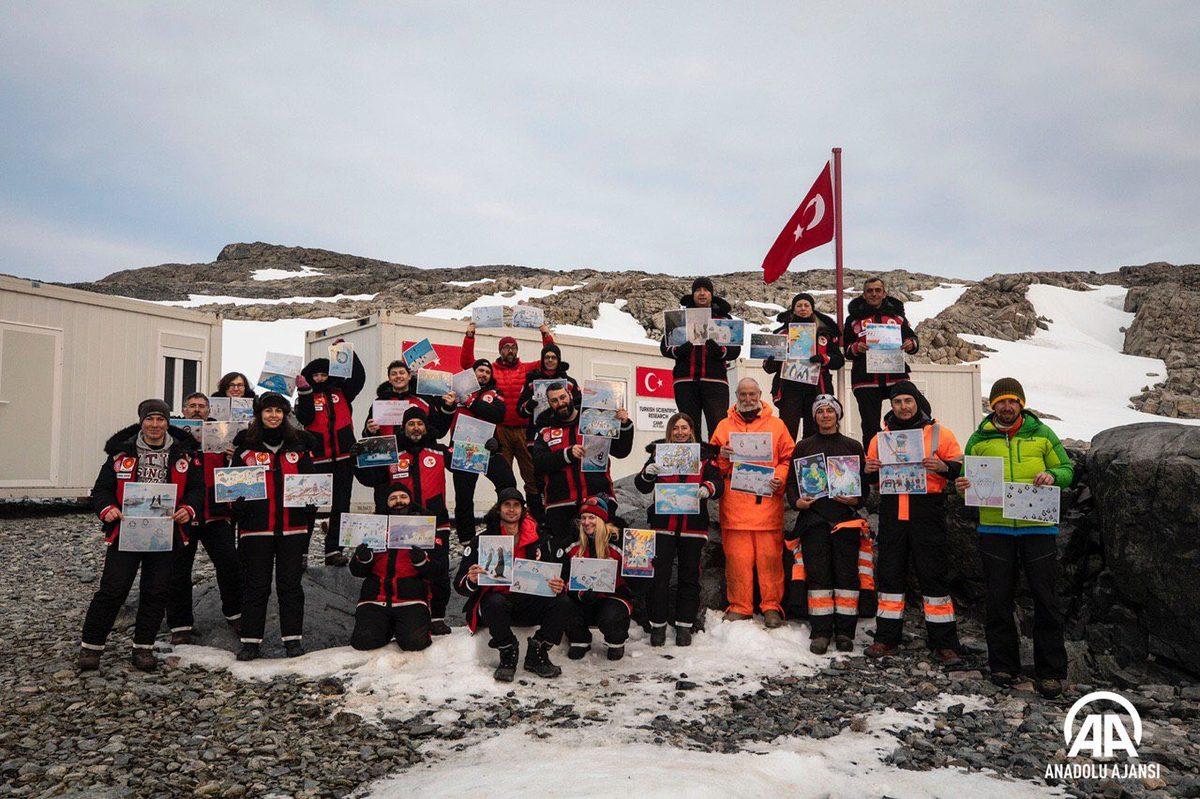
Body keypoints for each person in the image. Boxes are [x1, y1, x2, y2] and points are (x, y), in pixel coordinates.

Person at [956, 378, 1074, 698]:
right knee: (998, 599)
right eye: (1001, 402)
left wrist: (1053, 476)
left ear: (1021, 404)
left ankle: (1050, 671)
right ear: (992, 405)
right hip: (995, 528)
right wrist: (962, 485)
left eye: (1013, 401)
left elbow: (1066, 469)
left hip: (1038, 527)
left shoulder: (1042, 434)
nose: (1007, 407)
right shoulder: (978, 439)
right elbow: (966, 475)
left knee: (1045, 599)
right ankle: (1003, 665)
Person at [79, 399, 204, 672]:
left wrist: (188, 509)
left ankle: (143, 648)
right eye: (150, 419)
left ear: (168, 422)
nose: (155, 425)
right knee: (113, 589)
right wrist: (107, 509)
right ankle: (91, 646)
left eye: (161, 420)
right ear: (141, 422)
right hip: (127, 531)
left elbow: (197, 489)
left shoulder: (185, 454)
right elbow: (101, 490)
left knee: (157, 590)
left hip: (166, 532)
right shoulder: (120, 453)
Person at [863, 381, 964, 666]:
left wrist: (944, 468)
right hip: (893, 509)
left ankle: (945, 643)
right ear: (891, 406)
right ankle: (886, 638)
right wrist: (869, 470)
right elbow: (869, 476)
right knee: (890, 574)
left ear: (917, 401)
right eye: (897, 402)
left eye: (908, 400)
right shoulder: (879, 438)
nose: (903, 407)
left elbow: (960, 465)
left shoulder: (940, 433)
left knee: (933, 575)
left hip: (927, 510)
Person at [230, 393, 317, 661]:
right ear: (259, 414)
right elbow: (231, 493)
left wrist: (310, 507)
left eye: (279, 411)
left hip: (293, 530)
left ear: (285, 415)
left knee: (290, 586)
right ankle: (250, 642)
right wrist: (238, 505)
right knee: (256, 586)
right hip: (256, 531)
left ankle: (292, 641)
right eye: (268, 411)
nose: (273, 416)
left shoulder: (298, 449)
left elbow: (313, 490)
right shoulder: (244, 450)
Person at [454, 488, 573, 681]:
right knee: (494, 602)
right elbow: (459, 585)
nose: (511, 510)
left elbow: (560, 573)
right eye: (506, 505)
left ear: (523, 509)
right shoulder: (482, 541)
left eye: (516, 505)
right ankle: (507, 651)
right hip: (499, 606)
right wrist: (471, 579)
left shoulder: (541, 539)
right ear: (498, 509)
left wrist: (558, 584)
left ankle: (538, 651)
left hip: (531, 602)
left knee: (563, 602)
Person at [354, 406, 453, 635]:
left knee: (439, 571)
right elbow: (369, 477)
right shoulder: (392, 453)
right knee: (406, 569)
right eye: (411, 424)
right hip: (400, 524)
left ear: (426, 427)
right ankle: (407, 615)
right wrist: (357, 457)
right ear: (403, 428)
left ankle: (437, 617)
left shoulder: (438, 451)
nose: (416, 428)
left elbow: (468, 462)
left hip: (436, 521)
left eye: (419, 423)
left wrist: (491, 450)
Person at [784, 395, 867, 654]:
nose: (826, 415)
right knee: (818, 576)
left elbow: (864, 486)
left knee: (846, 577)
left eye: (831, 411)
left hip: (846, 520)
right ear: (815, 416)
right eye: (821, 411)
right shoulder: (803, 447)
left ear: (838, 415)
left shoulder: (853, 446)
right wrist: (798, 502)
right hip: (814, 521)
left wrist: (857, 498)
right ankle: (820, 632)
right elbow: (790, 484)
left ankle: (844, 632)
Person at [710, 378, 795, 629]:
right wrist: (722, 457)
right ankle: (740, 606)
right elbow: (713, 466)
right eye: (743, 394)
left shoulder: (777, 425)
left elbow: (788, 457)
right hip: (734, 508)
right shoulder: (723, 426)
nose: (748, 399)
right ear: (736, 396)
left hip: (767, 506)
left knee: (770, 560)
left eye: (752, 394)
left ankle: (771, 607)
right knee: (737, 559)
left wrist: (779, 478)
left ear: (760, 395)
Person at [633, 412, 723, 646]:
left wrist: (707, 488)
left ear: (691, 430)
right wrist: (647, 473)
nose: (680, 432)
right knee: (659, 578)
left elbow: (718, 482)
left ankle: (684, 626)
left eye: (684, 428)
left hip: (692, 526)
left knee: (689, 577)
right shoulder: (658, 453)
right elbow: (641, 487)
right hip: (663, 525)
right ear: (669, 431)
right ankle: (658, 626)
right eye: (676, 428)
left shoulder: (703, 455)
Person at [166, 392, 243, 645]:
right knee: (178, 571)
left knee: (230, 564)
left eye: (202, 406)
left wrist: (233, 456)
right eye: (193, 406)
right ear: (184, 409)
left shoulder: (220, 433)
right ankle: (180, 625)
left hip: (216, 513)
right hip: (182, 515)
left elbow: (234, 473)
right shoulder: (172, 436)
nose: (197, 410)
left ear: (209, 409)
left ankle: (235, 614)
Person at [531, 382, 635, 557]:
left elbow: (621, 451)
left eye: (563, 397)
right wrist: (567, 454)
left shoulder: (595, 419)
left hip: (598, 500)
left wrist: (624, 425)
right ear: (549, 403)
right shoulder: (544, 430)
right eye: (554, 400)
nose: (560, 403)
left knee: (603, 553)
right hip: (560, 505)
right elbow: (539, 463)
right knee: (564, 556)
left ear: (570, 396)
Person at [459, 320, 555, 505]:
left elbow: (548, 360)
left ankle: (536, 517)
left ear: (517, 350)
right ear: (500, 350)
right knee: (504, 478)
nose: (510, 350)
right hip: (500, 430)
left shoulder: (526, 369)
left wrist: (545, 334)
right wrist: (469, 336)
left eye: (513, 347)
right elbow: (467, 364)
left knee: (533, 475)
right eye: (506, 347)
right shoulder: (491, 370)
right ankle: (506, 515)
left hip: (524, 430)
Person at [295, 340, 366, 566]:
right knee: (308, 508)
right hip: (316, 461)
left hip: (345, 459)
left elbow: (359, 378)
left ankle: (333, 551)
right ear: (309, 377)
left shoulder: (343, 392)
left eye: (323, 374)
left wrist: (347, 352)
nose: (319, 378)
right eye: (315, 375)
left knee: (341, 506)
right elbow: (305, 419)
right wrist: (305, 393)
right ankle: (301, 553)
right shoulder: (304, 396)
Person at [348, 484, 436, 652]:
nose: (398, 501)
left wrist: (421, 561)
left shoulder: (425, 526)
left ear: (411, 500)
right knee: (363, 642)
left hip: (411, 599)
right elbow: (356, 571)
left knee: (415, 644)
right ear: (386, 503)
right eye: (393, 498)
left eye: (403, 497)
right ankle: (387, 627)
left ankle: (406, 627)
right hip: (375, 598)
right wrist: (363, 558)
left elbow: (437, 570)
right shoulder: (373, 526)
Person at [444, 358, 517, 543]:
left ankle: (497, 525)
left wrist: (470, 402)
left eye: (487, 371)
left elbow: (497, 414)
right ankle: (466, 539)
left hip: (487, 449)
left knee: (508, 483)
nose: (483, 374)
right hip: (463, 450)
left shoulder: (494, 392)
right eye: (480, 370)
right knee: (464, 496)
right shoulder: (456, 391)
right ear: (472, 373)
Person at [842, 277, 919, 449]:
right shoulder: (853, 320)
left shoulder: (897, 317)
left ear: (884, 293)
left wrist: (910, 343)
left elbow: (912, 338)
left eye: (878, 290)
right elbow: (845, 349)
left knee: (916, 412)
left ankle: (908, 456)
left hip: (896, 376)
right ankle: (873, 466)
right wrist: (856, 347)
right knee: (870, 426)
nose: (874, 294)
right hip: (865, 380)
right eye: (870, 291)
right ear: (863, 294)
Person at [660, 277, 741, 440]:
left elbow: (735, 351)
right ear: (692, 294)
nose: (702, 293)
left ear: (712, 294)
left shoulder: (724, 319)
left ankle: (715, 464)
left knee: (718, 426)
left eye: (706, 290)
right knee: (688, 428)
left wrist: (720, 351)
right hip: (685, 382)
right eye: (698, 290)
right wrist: (681, 350)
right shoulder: (679, 318)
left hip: (715, 381)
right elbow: (665, 348)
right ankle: (691, 464)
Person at [763, 293, 845, 440]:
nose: (803, 308)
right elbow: (768, 368)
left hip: (816, 389)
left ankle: (810, 461)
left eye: (806, 305)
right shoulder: (781, 333)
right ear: (793, 309)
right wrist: (772, 360)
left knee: (813, 434)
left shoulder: (824, 334)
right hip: (789, 389)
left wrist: (824, 358)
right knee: (787, 433)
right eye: (799, 306)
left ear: (812, 309)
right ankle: (787, 461)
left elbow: (839, 361)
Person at [562, 498, 633, 661]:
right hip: (583, 597)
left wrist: (646, 565)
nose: (586, 522)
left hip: (613, 597)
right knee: (563, 604)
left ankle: (616, 641)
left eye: (592, 517)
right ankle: (579, 639)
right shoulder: (572, 545)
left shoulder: (620, 543)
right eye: (584, 518)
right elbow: (563, 577)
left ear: (602, 520)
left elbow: (635, 583)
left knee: (611, 615)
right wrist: (579, 593)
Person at [517, 343, 580, 517]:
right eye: (547, 357)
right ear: (542, 360)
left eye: (554, 357)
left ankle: (569, 511)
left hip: (567, 434)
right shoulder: (531, 382)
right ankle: (538, 518)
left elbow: (581, 406)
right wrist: (529, 405)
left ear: (558, 359)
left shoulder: (570, 383)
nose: (550, 360)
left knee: (567, 473)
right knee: (536, 478)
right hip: (538, 435)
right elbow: (520, 410)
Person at [362, 359, 448, 441]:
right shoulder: (379, 402)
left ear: (409, 376)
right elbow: (366, 435)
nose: (398, 376)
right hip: (390, 453)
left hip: (416, 453)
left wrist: (448, 407)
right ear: (389, 379)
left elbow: (439, 431)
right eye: (394, 374)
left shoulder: (424, 400)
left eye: (402, 373)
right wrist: (369, 431)